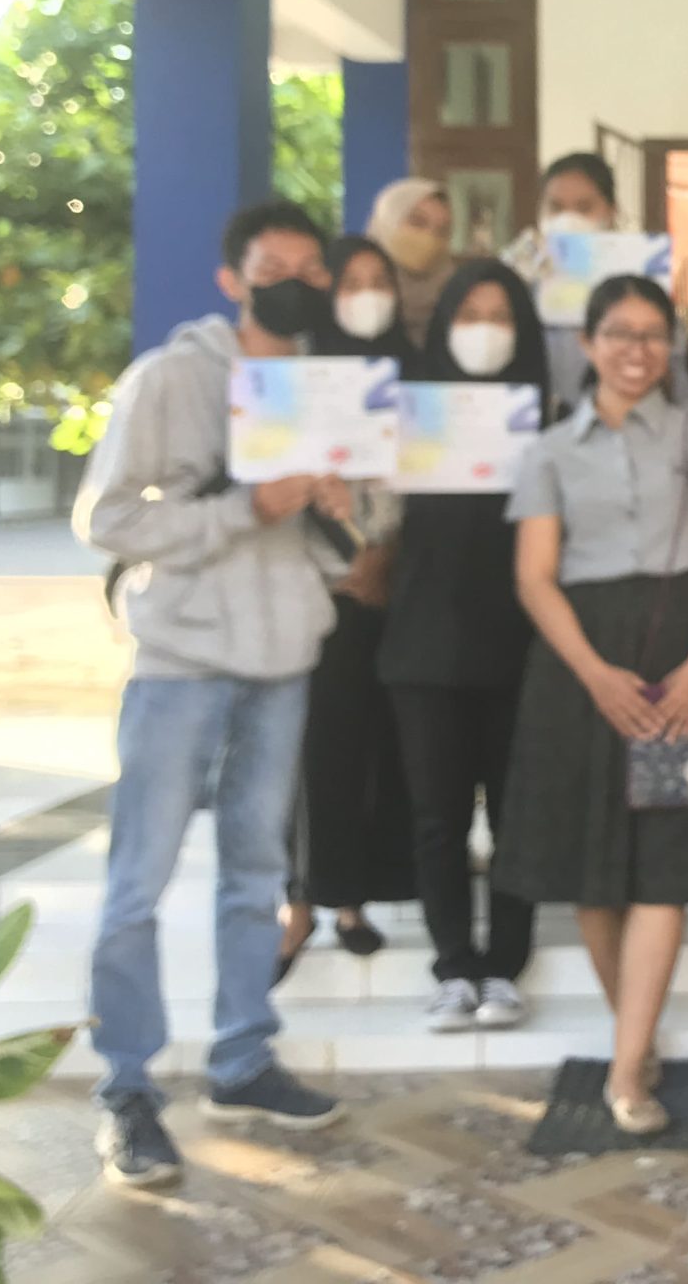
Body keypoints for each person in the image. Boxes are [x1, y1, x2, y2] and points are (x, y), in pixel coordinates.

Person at [75, 201, 348, 1190]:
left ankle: (242, 1057)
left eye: (310, 270)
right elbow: (106, 519)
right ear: (233, 280)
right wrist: (244, 509)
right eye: (274, 268)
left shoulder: (329, 389)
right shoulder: (168, 379)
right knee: (138, 879)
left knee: (256, 871)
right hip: (181, 662)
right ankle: (127, 1088)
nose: (294, 285)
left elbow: (353, 533)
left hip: (283, 657)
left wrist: (343, 509)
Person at [497, 275, 688, 1137]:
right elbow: (534, 577)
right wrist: (595, 675)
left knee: (665, 863)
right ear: (587, 343)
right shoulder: (549, 450)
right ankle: (634, 1041)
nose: (636, 351)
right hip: (579, 662)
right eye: (619, 333)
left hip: (680, 650)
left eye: (652, 335)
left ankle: (624, 1071)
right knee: (594, 873)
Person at [379, 259, 551, 1033]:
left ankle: (505, 965)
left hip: (522, 644)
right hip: (423, 645)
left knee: (518, 815)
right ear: (444, 324)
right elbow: (375, 524)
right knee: (437, 819)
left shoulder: (550, 418)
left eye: (501, 316)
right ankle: (452, 965)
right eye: (469, 315)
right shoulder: (402, 416)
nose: (485, 331)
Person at [277, 237, 415, 983]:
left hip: (394, 590)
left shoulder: (416, 376)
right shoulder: (299, 378)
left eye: (378, 281)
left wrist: (388, 558)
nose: (367, 295)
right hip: (319, 592)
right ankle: (300, 903)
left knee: (375, 752)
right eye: (351, 281)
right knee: (316, 754)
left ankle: (353, 902)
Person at [509, 151, 624, 406]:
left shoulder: (636, 280)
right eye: (556, 207)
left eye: (584, 208)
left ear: (611, 212)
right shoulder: (520, 274)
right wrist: (515, 282)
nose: (568, 219)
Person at [367, 177, 456, 355]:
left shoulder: (458, 298)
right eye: (418, 222)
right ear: (388, 221)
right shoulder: (352, 292)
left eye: (441, 231)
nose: (429, 238)